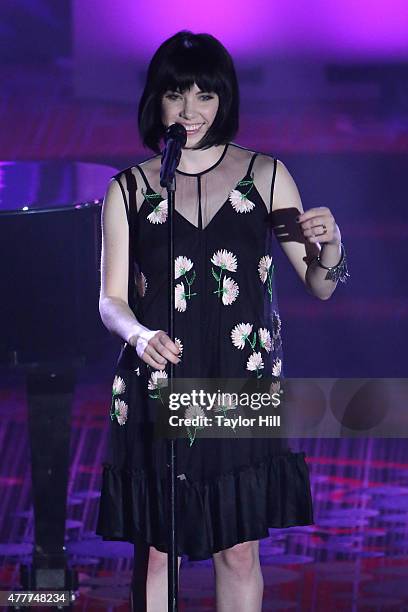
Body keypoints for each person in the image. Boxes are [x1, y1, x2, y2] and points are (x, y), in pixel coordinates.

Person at [96, 30, 349, 611]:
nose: (190, 111)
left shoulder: (265, 176)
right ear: (157, 102)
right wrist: (138, 334)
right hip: (158, 384)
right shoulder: (130, 189)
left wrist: (331, 246)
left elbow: (322, 285)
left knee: (238, 550)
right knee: (159, 550)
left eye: (205, 96)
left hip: (239, 383)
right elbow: (110, 300)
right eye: (177, 95)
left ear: (224, 100)